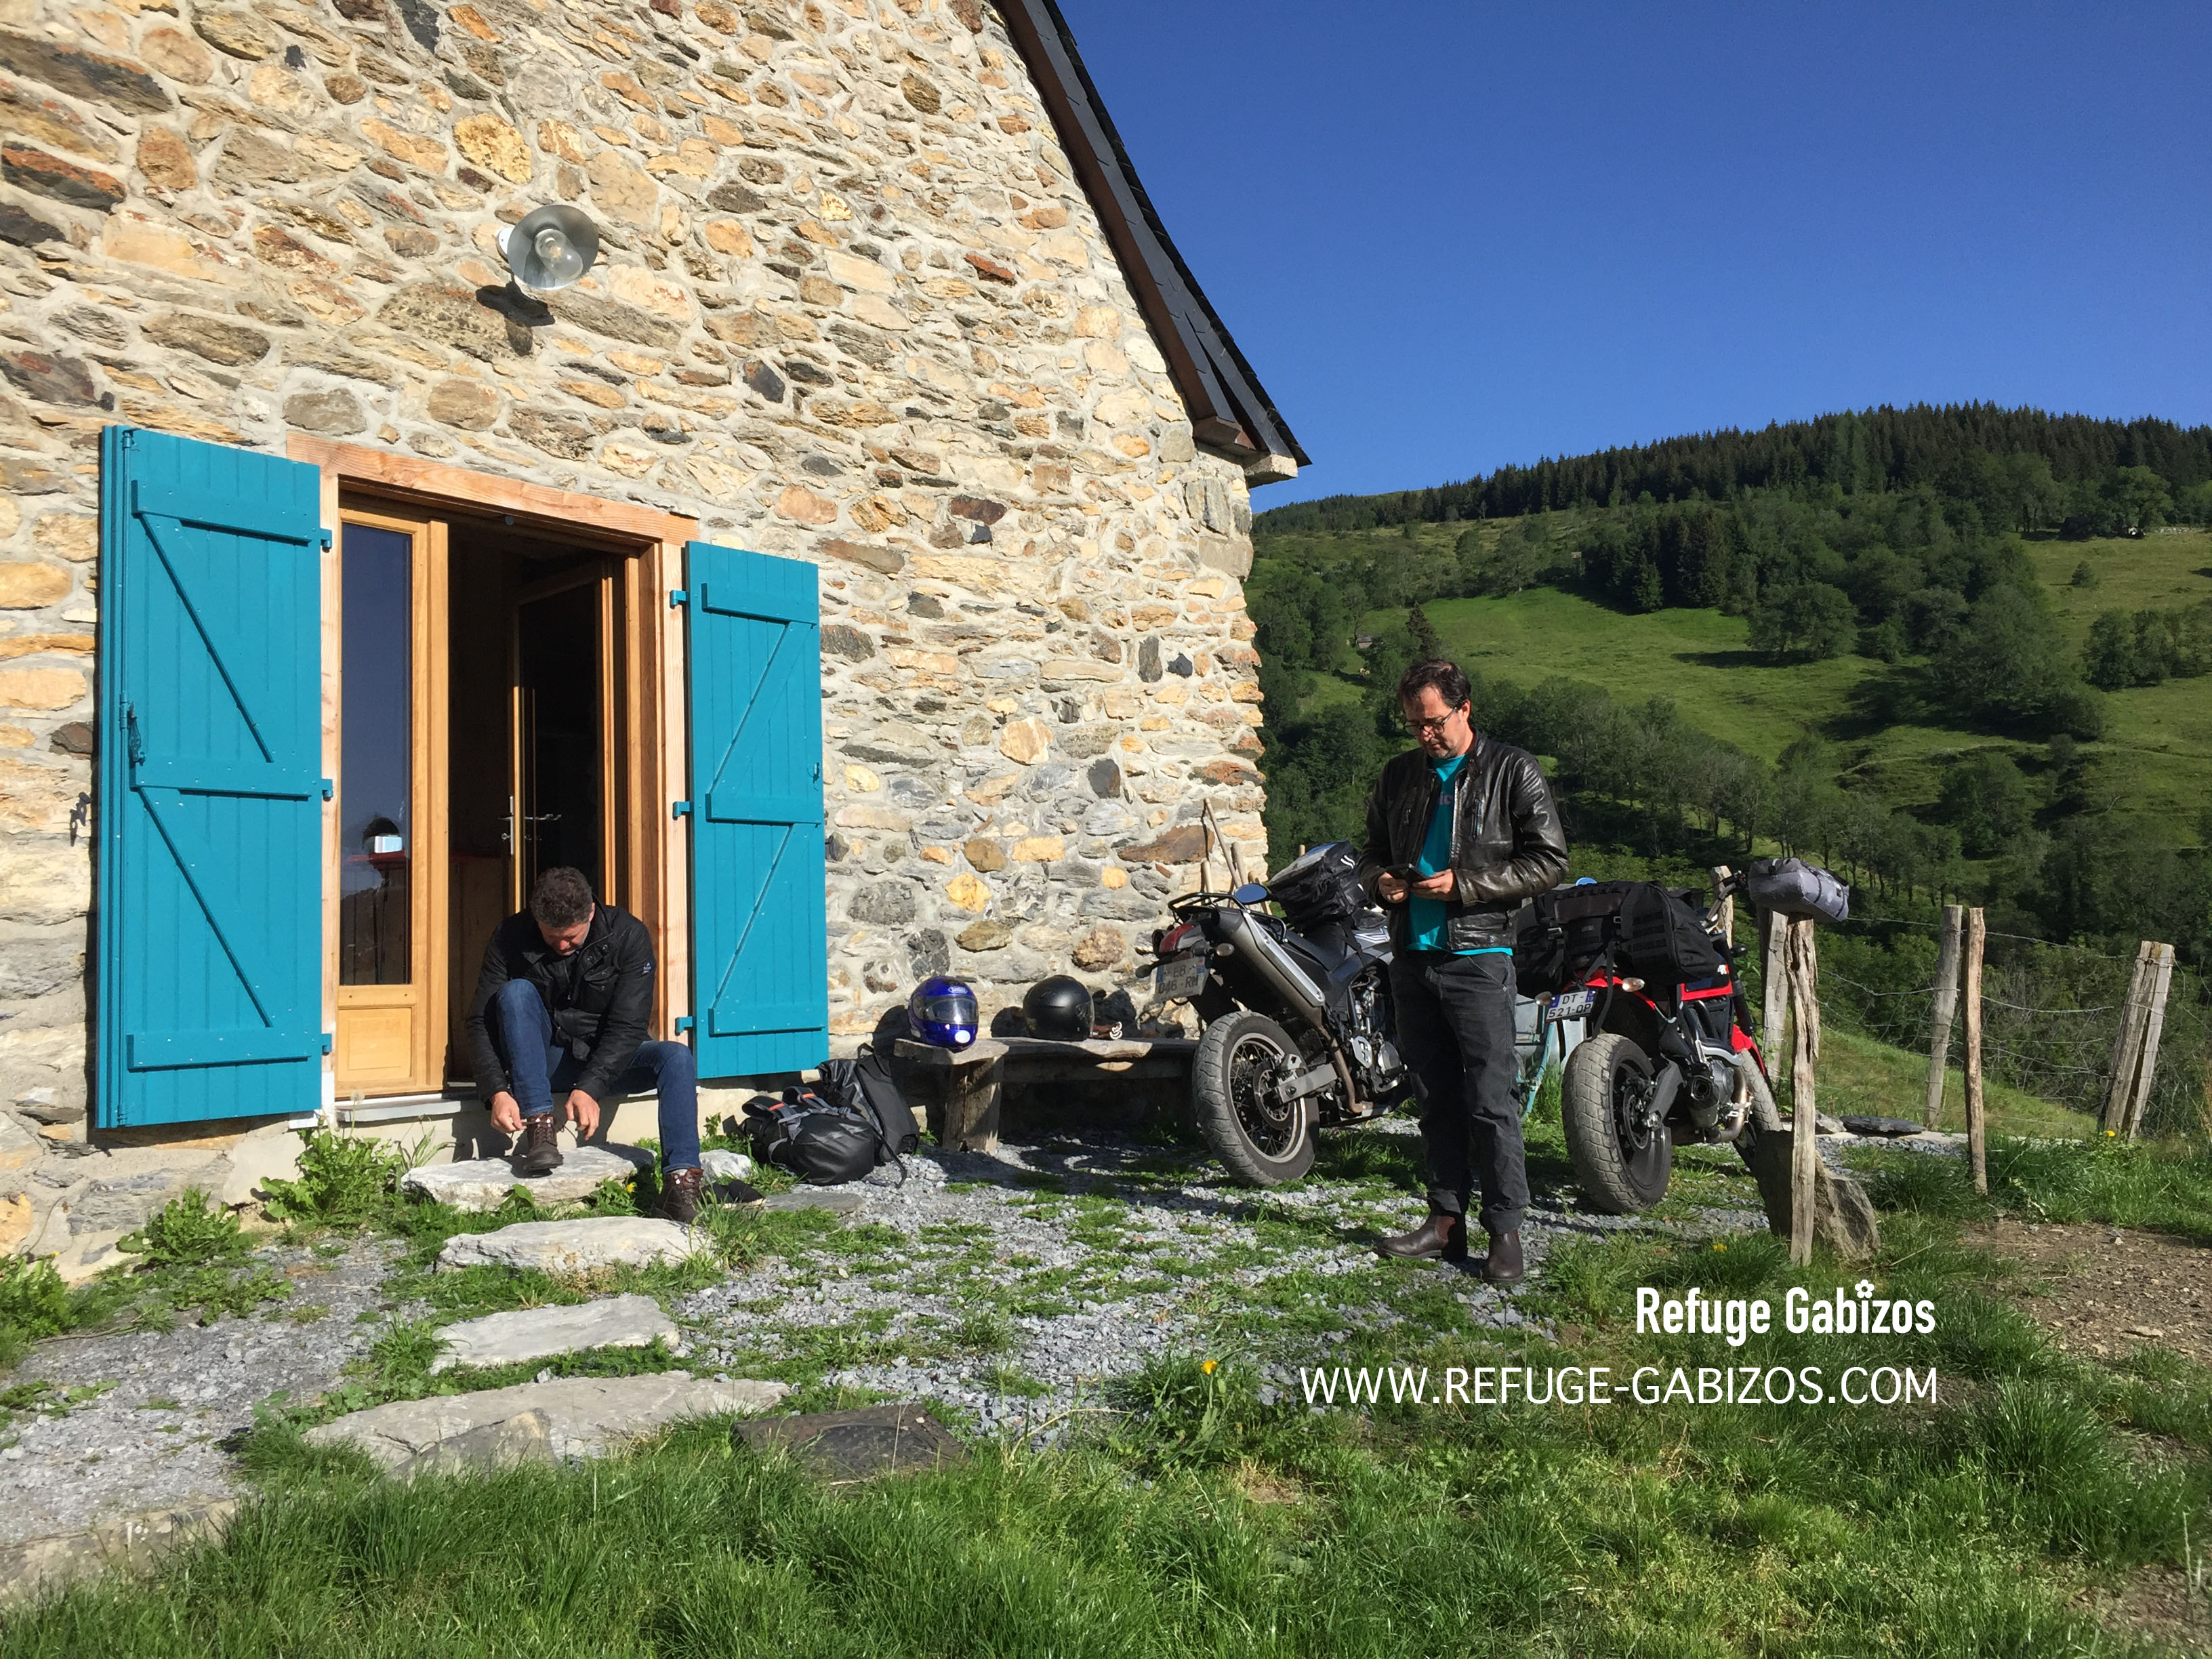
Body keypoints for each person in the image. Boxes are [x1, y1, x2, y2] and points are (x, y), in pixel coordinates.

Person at [1358, 659, 1568, 1282]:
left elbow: (1550, 861)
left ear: (1464, 709)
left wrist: (1468, 887)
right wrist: (1382, 881)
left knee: (1490, 1099)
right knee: (1433, 1096)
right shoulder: (1398, 776)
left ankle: (1506, 1232)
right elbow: (1367, 851)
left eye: (1433, 722)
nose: (1424, 735)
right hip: (1412, 954)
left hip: (1479, 956)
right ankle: (1445, 1223)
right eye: (1414, 725)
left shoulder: (1513, 770)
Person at [464, 866, 705, 1222]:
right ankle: (541, 1127)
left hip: (610, 1059)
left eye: (571, 938)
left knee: (677, 1057)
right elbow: (479, 1022)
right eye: (551, 938)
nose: (561, 946)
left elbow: (627, 1027)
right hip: (544, 1064)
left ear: (591, 912)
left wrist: (590, 1087)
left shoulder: (628, 935)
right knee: (515, 993)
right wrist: (497, 1091)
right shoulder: (509, 936)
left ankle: (681, 1184)